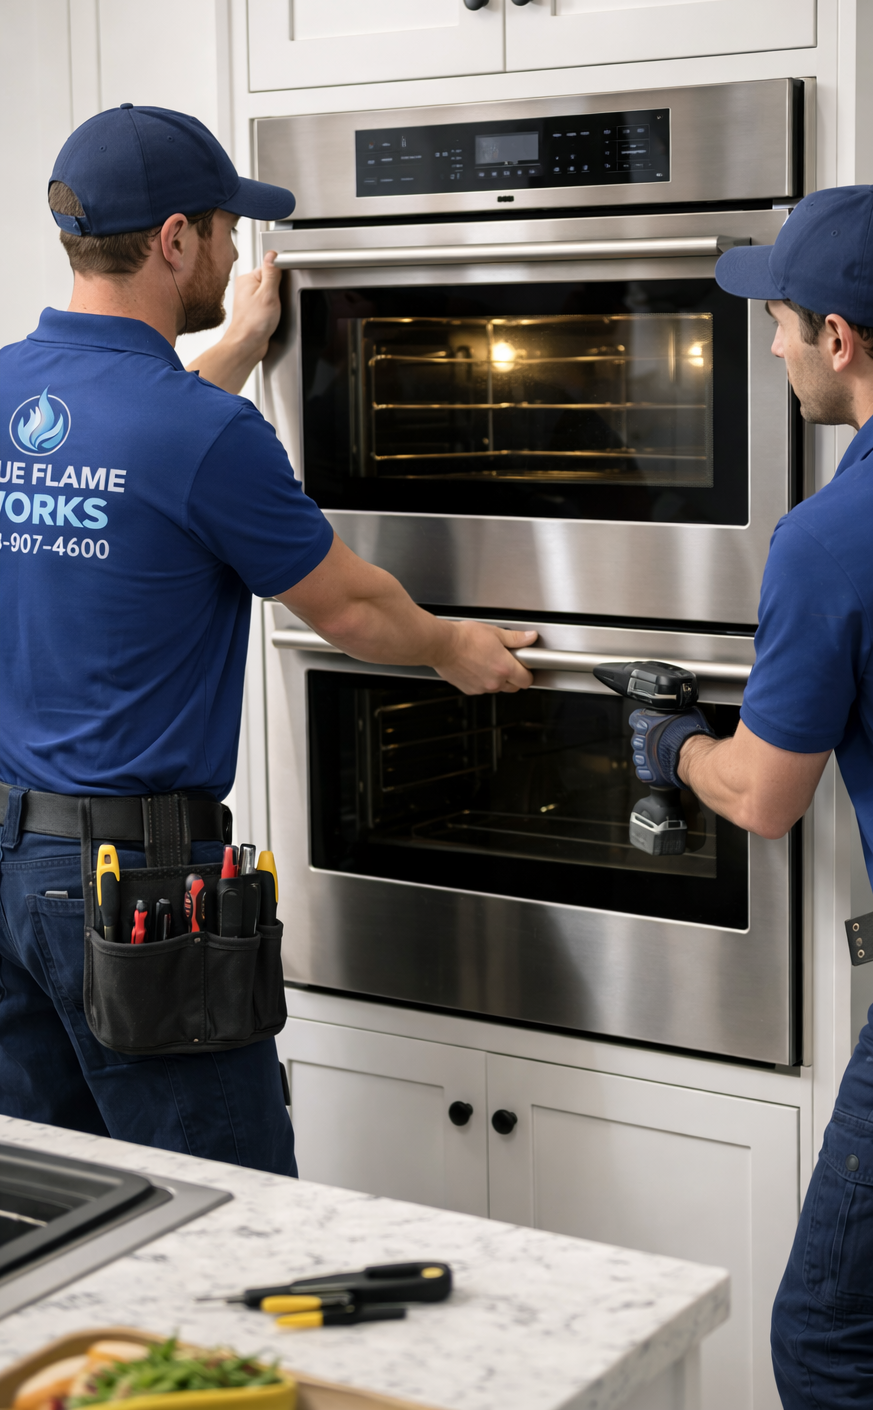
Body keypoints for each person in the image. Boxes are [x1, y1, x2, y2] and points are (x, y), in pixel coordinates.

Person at [0, 104, 535, 1175]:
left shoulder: (19, 389)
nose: (238, 245)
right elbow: (349, 609)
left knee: (54, 1210)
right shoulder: (201, 435)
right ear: (174, 241)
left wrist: (235, 348)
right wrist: (450, 646)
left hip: (11, 868)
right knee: (229, 1210)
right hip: (132, 886)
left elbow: (125, 467)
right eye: (225, 223)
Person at [627, 184, 873, 1407]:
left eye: (782, 318)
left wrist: (671, 745)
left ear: (839, 340)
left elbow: (761, 796)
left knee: (838, 1342)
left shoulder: (834, 530)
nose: (773, 341)